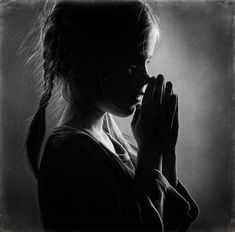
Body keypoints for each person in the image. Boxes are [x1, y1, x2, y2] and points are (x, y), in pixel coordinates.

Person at [25, 0, 199, 231]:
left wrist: (164, 150)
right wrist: (150, 155)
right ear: (89, 63)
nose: (146, 79)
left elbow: (173, 221)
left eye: (146, 62)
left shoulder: (112, 138)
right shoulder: (70, 153)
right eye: (132, 65)